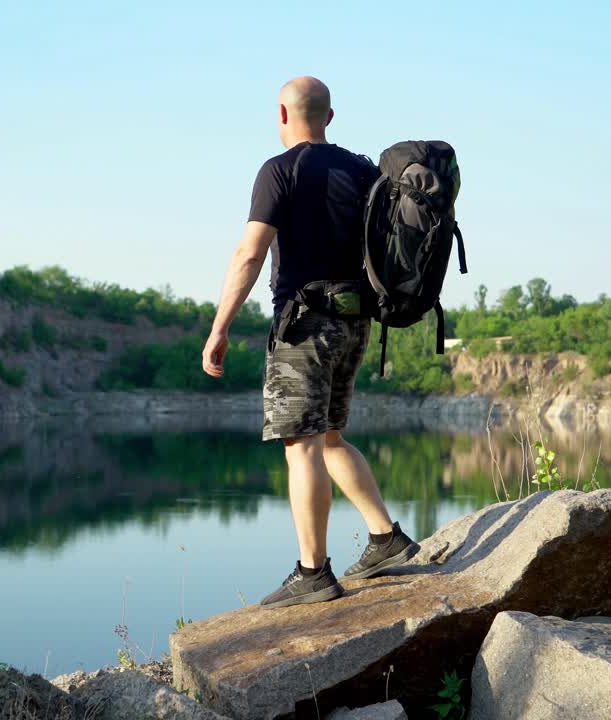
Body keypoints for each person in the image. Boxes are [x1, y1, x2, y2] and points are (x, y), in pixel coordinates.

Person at [201, 76, 419, 608]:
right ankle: (386, 538)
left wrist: (219, 327)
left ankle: (312, 572)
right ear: (330, 116)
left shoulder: (280, 171)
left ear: (282, 114)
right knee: (329, 438)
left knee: (301, 446)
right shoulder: (364, 170)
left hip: (305, 325)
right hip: (355, 321)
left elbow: (250, 254)